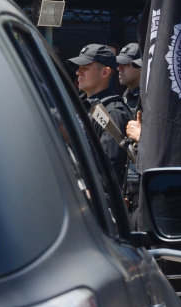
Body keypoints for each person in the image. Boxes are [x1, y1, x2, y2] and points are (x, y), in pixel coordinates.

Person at [69, 44, 132, 191]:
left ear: (105, 72)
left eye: (85, 68)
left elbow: (107, 170)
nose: (78, 72)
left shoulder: (113, 112)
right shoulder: (83, 106)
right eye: (78, 68)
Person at [116, 43, 142, 224]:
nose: (119, 68)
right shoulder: (125, 98)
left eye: (126, 64)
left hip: (143, 193)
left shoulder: (149, 102)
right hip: (128, 190)